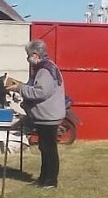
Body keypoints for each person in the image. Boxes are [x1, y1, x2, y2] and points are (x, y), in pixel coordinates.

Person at [7, 39, 65, 189]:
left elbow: (40, 92)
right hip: (47, 115)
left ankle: (50, 181)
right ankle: (43, 178)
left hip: (47, 116)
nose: (28, 59)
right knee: (45, 148)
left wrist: (19, 88)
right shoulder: (47, 67)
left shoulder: (45, 70)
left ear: (35, 54)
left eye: (28, 55)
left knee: (48, 149)